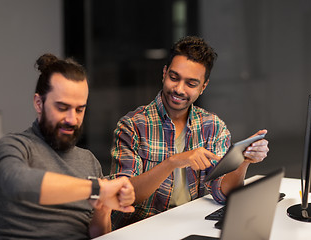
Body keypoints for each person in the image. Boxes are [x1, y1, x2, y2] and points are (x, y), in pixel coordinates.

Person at [110, 36, 269, 229]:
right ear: (164, 73)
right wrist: (173, 162)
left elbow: (222, 192)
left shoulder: (213, 127)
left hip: (191, 226)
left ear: (203, 87)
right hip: (142, 230)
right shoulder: (132, 125)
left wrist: (243, 161)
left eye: (191, 84)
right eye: (174, 77)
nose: (178, 89)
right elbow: (124, 196)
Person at [0, 54, 135, 239]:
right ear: (39, 103)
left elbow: (98, 234)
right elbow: (17, 183)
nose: (72, 119)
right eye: (62, 108)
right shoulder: (14, 146)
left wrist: (103, 208)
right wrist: (97, 189)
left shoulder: (89, 161)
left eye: (79, 109)